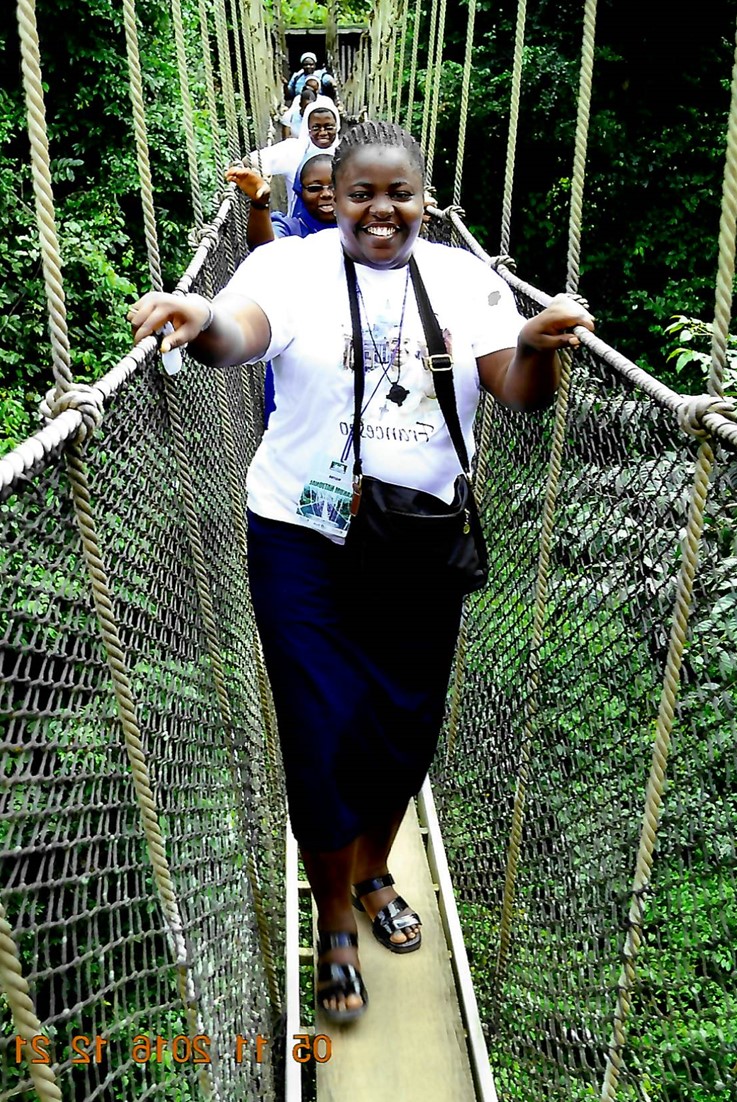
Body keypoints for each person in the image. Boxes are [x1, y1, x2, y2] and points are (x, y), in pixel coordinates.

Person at [128, 120, 594, 1025]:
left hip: (419, 539)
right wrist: (201, 318)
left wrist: (534, 342)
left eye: (400, 195)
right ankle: (336, 908)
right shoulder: (289, 267)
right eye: (360, 195)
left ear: (425, 199)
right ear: (332, 199)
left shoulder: (466, 281)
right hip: (300, 533)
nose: (381, 211)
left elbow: (516, 392)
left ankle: (375, 866)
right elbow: (242, 335)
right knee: (319, 725)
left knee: (404, 728)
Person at [225, 155, 336, 423]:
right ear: (299, 191)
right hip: (296, 340)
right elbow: (265, 248)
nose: (326, 194)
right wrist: (260, 203)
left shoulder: (361, 231)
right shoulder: (292, 227)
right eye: (314, 187)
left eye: (334, 186)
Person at [248, 98, 340, 215]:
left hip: (343, 228)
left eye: (329, 127)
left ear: (337, 127)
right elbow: (250, 159)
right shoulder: (293, 150)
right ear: (308, 128)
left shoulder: (347, 153)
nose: (322, 132)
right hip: (299, 228)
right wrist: (264, 170)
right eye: (316, 127)